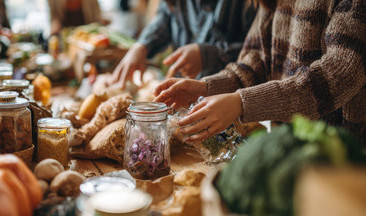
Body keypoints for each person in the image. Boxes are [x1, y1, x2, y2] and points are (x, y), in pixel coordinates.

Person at [154, 0, 365, 144]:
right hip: (292, 150)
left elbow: (338, 75)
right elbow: (256, 63)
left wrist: (242, 102)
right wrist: (207, 87)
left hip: (348, 158)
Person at [111, 0, 257, 88]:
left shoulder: (250, 3)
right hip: (185, 98)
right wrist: (142, 46)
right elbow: (166, 15)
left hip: (233, 104)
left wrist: (210, 55)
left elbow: (260, 52)